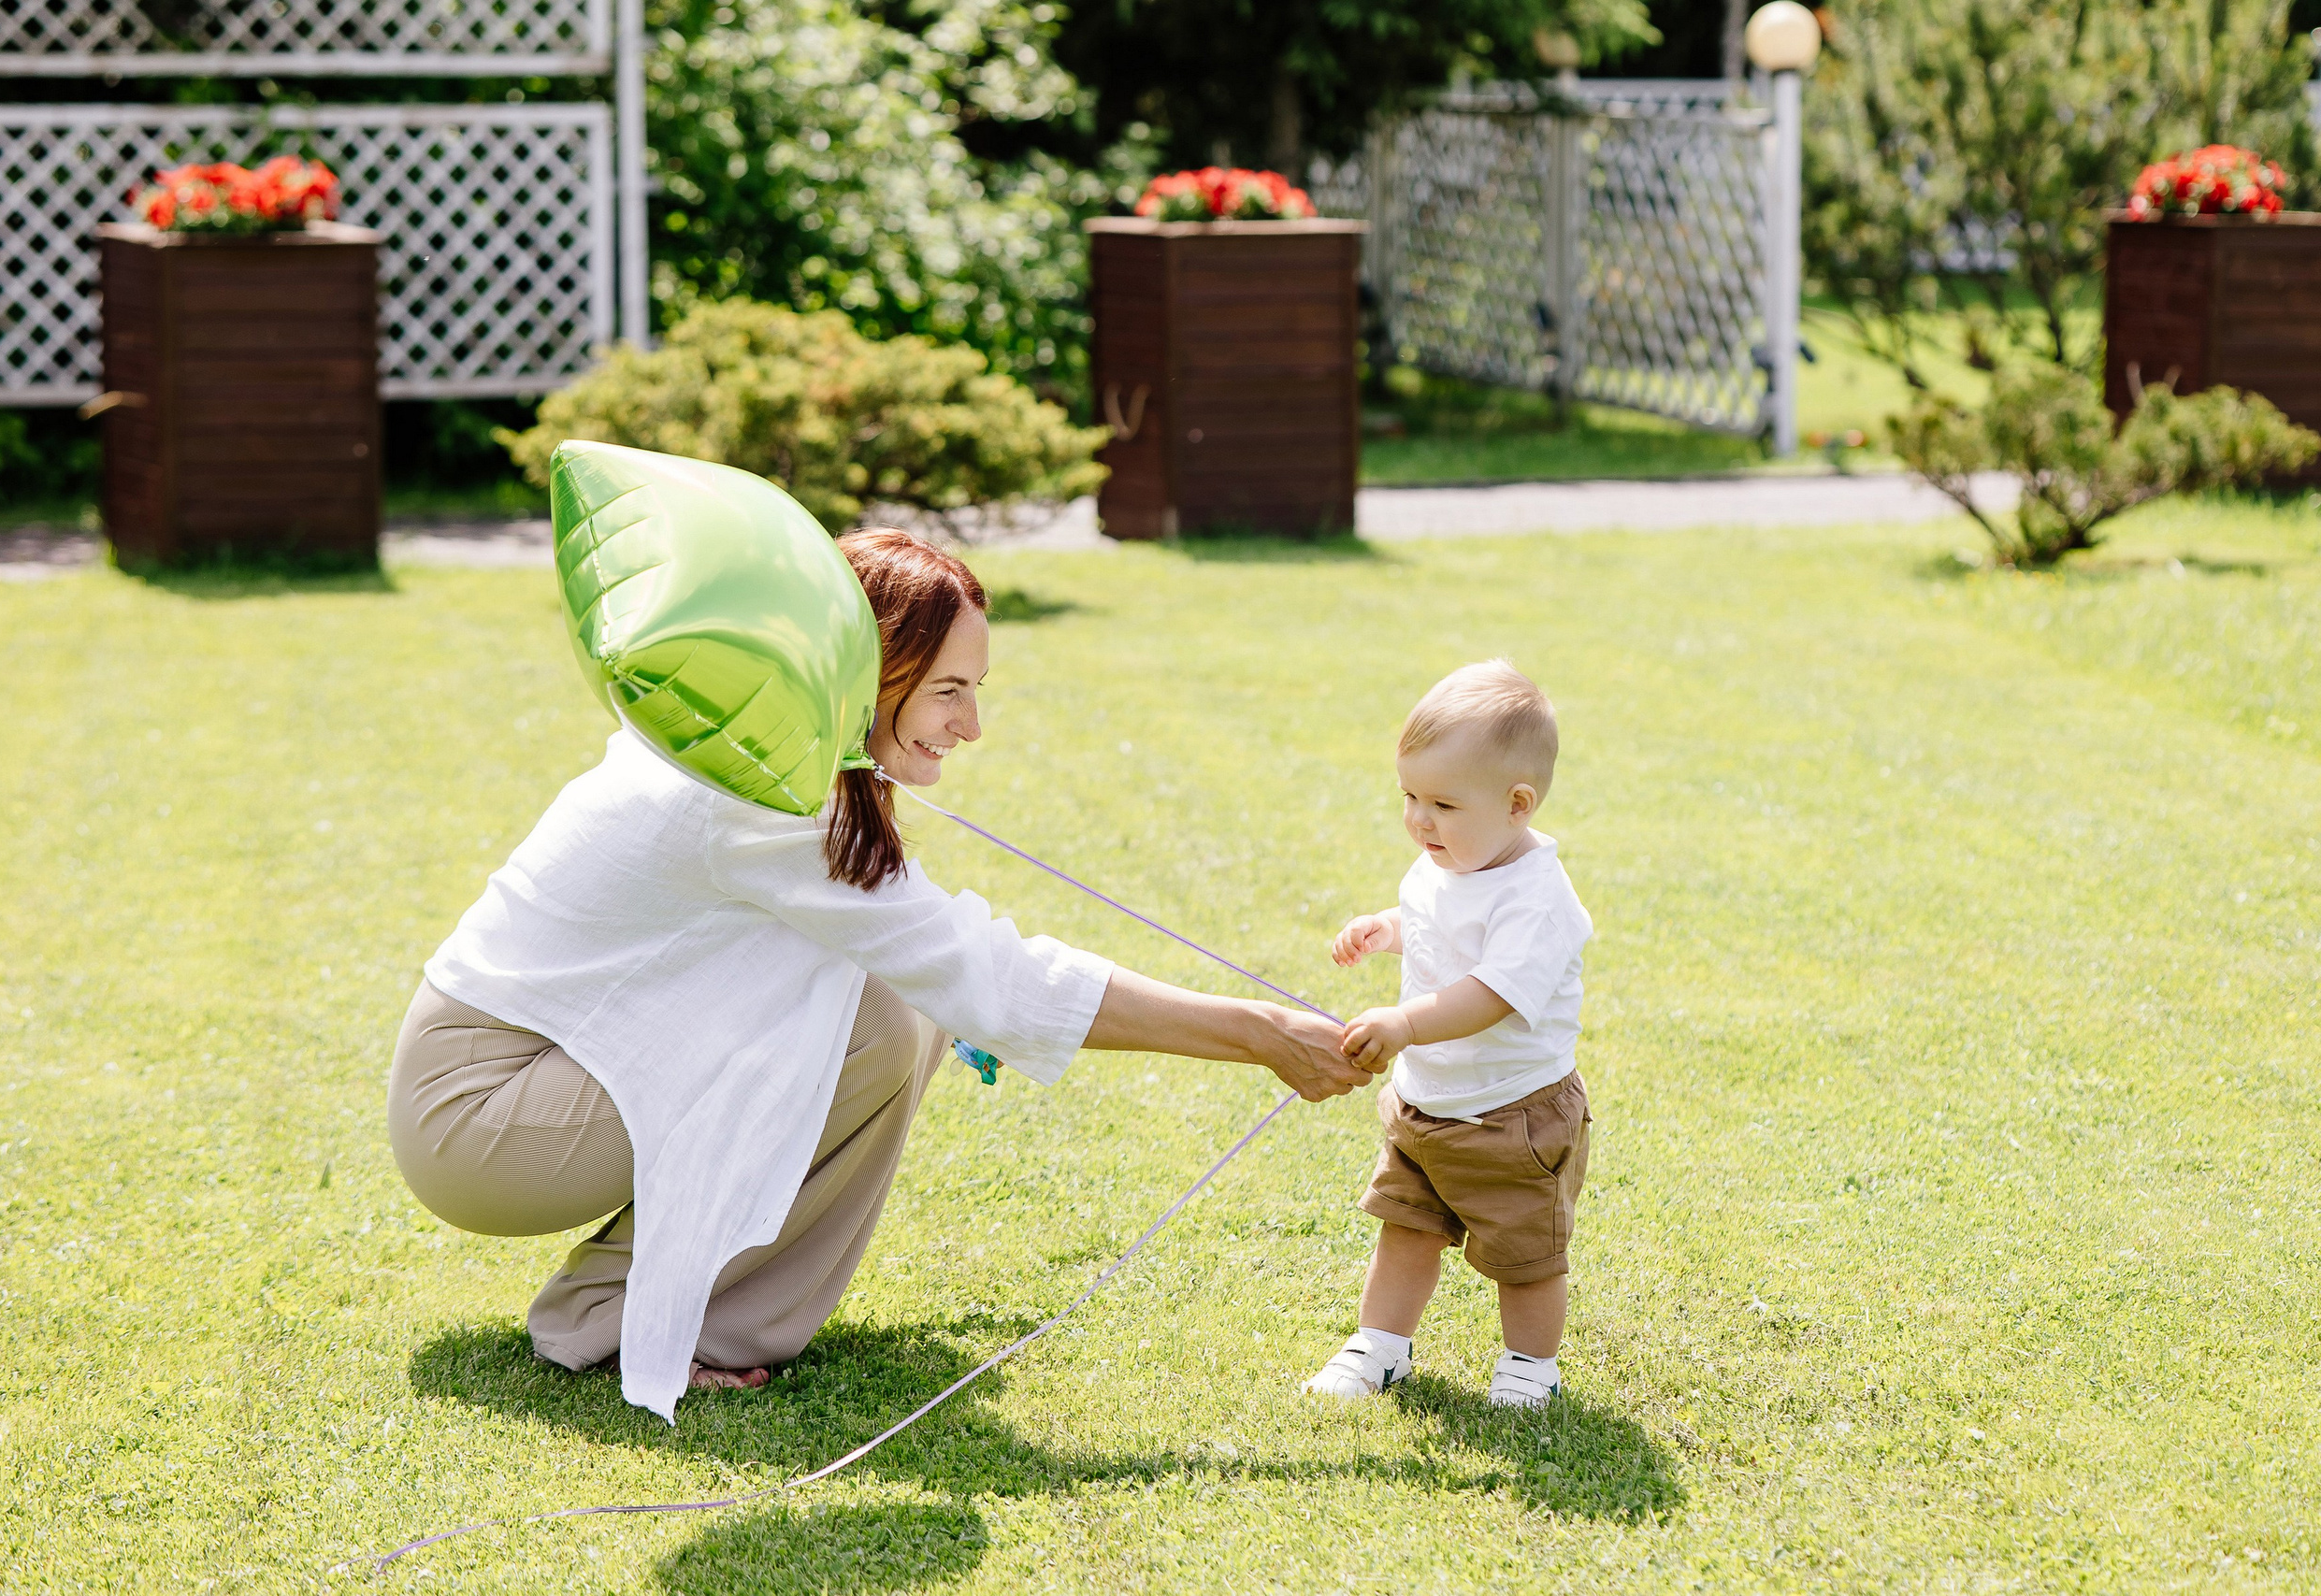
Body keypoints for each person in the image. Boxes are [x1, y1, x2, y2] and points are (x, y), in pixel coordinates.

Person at [385, 528, 1370, 1420]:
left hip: (519, 1085)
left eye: (975, 691)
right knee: (887, 1019)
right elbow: (983, 972)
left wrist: (961, 999)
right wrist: (1257, 1033)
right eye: (949, 690)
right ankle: (639, 1314)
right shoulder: (762, 793)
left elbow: (934, 954)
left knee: (896, 1004)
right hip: (484, 1117)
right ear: (875, 672)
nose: (971, 725)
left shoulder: (768, 745)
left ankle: (647, 1297)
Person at [1302, 661, 1594, 1413]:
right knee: (1404, 1228)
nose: (1418, 820)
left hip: (1513, 1114)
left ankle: (1530, 1364)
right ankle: (1381, 1344)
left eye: (1440, 803)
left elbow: (1491, 993)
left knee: (1525, 1256)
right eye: (1409, 796)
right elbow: (1440, 925)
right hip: (1427, 1104)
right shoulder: (1452, 856)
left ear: (1517, 804)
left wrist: (1401, 1024)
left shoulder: (1538, 898)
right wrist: (1387, 929)